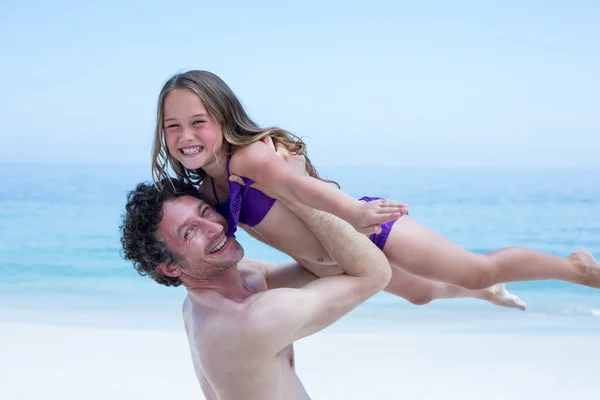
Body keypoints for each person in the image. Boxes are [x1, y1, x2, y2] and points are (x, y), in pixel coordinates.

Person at [150, 70, 600, 310]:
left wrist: (354, 212)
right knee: (422, 295)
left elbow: (296, 184)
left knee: (476, 269)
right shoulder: (207, 190)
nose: (186, 136)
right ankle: (484, 294)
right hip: (330, 260)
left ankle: (576, 266)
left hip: (363, 232)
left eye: (198, 122)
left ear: (224, 119)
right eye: (174, 127)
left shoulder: (249, 159)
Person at [120, 172, 392, 400]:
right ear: (170, 268)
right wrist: (291, 189)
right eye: (189, 232)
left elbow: (326, 268)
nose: (214, 227)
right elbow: (374, 275)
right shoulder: (248, 321)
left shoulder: (211, 295)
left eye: (206, 212)